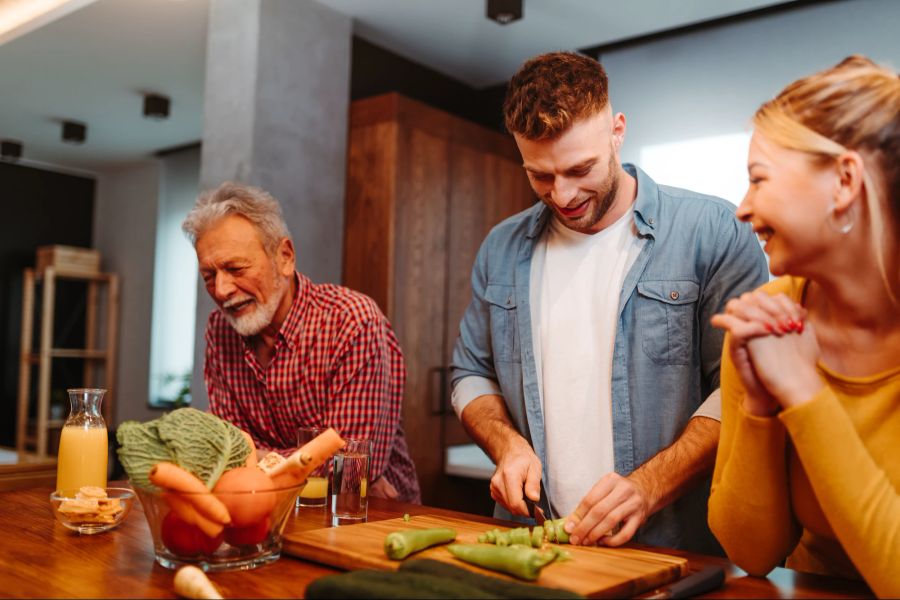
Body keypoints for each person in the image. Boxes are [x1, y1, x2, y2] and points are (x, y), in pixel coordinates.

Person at [450, 52, 768, 553]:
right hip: (533, 544)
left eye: (581, 168)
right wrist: (506, 444)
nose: (562, 194)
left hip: (671, 548)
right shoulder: (500, 247)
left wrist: (648, 487)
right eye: (540, 176)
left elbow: (742, 388)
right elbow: (470, 373)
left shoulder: (715, 232)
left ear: (617, 130)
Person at [708, 55, 899, 597]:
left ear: (844, 181)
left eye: (758, 180)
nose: (742, 209)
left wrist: (803, 391)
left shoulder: (787, 355)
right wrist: (762, 407)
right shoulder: (764, 320)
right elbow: (751, 554)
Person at [182, 181, 421, 503]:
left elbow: (351, 468)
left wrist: (255, 458)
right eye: (209, 276)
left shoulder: (352, 320)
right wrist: (305, 459)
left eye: (235, 268)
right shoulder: (220, 330)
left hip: (369, 517)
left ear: (284, 257)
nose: (222, 290)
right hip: (268, 513)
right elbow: (224, 451)